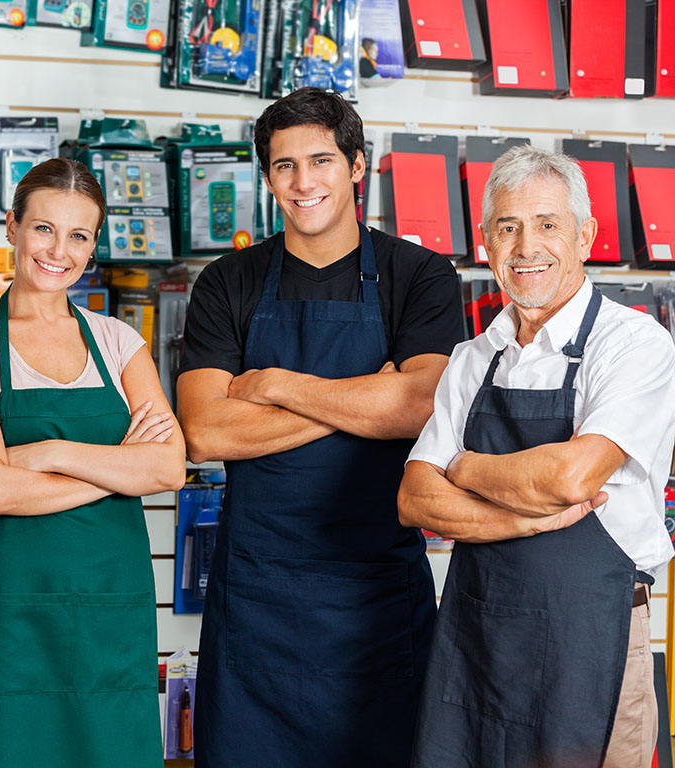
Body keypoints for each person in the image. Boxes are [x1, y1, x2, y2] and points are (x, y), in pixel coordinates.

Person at [177, 87, 465, 766]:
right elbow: (206, 433)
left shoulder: (417, 276)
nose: (303, 183)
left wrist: (280, 386)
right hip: (258, 601)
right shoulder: (227, 282)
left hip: (377, 603)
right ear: (267, 175)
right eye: (283, 166)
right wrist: (370, 399)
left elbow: (422, 406)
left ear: (357, 166)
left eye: (321, 161)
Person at [401, 145, 675, 768]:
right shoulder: (474, 358)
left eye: (548, 225)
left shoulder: (634, 343)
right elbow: (415, 498)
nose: (527, 246)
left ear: (586, 236)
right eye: (508, 227)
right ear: (486, 244)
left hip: (593, 640)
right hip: (477, 643)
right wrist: (528, 516)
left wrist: (464, 467)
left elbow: (573, 476)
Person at [0, 157, 186, 768]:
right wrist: (116, 465)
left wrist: (49, 454)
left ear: (94, 243)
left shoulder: (118, 341)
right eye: (44, 228)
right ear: (12, 227)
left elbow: (167, 470)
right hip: (11, 619)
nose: (59, 250)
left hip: (113, 616)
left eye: (78, 235)